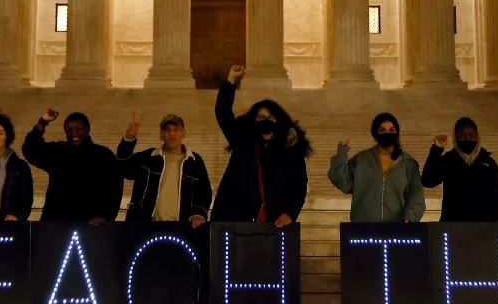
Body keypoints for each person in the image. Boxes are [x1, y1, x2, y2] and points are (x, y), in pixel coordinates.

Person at [211, 65, 310, 225]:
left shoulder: (291, 151)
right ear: (253, 120)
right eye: (261, 117)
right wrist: (230, 82)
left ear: (279, 121)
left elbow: (299, 186)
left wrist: (290, 213)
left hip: (274, 220)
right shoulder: (242, 141)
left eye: (270, 117)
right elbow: (223, 114)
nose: (266, 121)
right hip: (237, 218)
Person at [22, 109, 122, 223]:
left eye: (78, 129)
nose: (74, 133)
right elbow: (30, 150)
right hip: (56, 222)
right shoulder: (58, 152)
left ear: (88, 129)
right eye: (69, 130)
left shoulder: (103, 155)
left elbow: (115, 189)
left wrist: (106, 216)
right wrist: (43, 122)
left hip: (91, 225)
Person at [116, 111, 212, 226]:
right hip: (144, 227)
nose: (172, 133)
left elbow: (204, 192)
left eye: (176, 129)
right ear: (161, 135)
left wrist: (199, 212)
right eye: (167, 130)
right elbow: (122, 168)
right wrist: (129, 139)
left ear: (183, 133)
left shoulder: (195, 162)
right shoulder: (148, 157)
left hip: (182, 228)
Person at [329, 113, 425, 223]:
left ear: (397, 133)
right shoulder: (362, 159)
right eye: (382, 130)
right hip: (363, 230)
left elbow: (416, 195)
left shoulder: (408, 163)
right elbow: (343, 182)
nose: (387, 133)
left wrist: (410, 218)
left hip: (397, 231)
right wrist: (341, 154)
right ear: (375, 134)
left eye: (392, 130)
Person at [420, 117, 498, 222]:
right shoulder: (448, 160)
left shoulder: (488, 163)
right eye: (462, 136)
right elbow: (427, 181)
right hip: (454, 225)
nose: (467, 139)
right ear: (456, 137)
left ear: (477, 136)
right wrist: (436, 150)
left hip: (485, 225)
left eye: (471, 135)